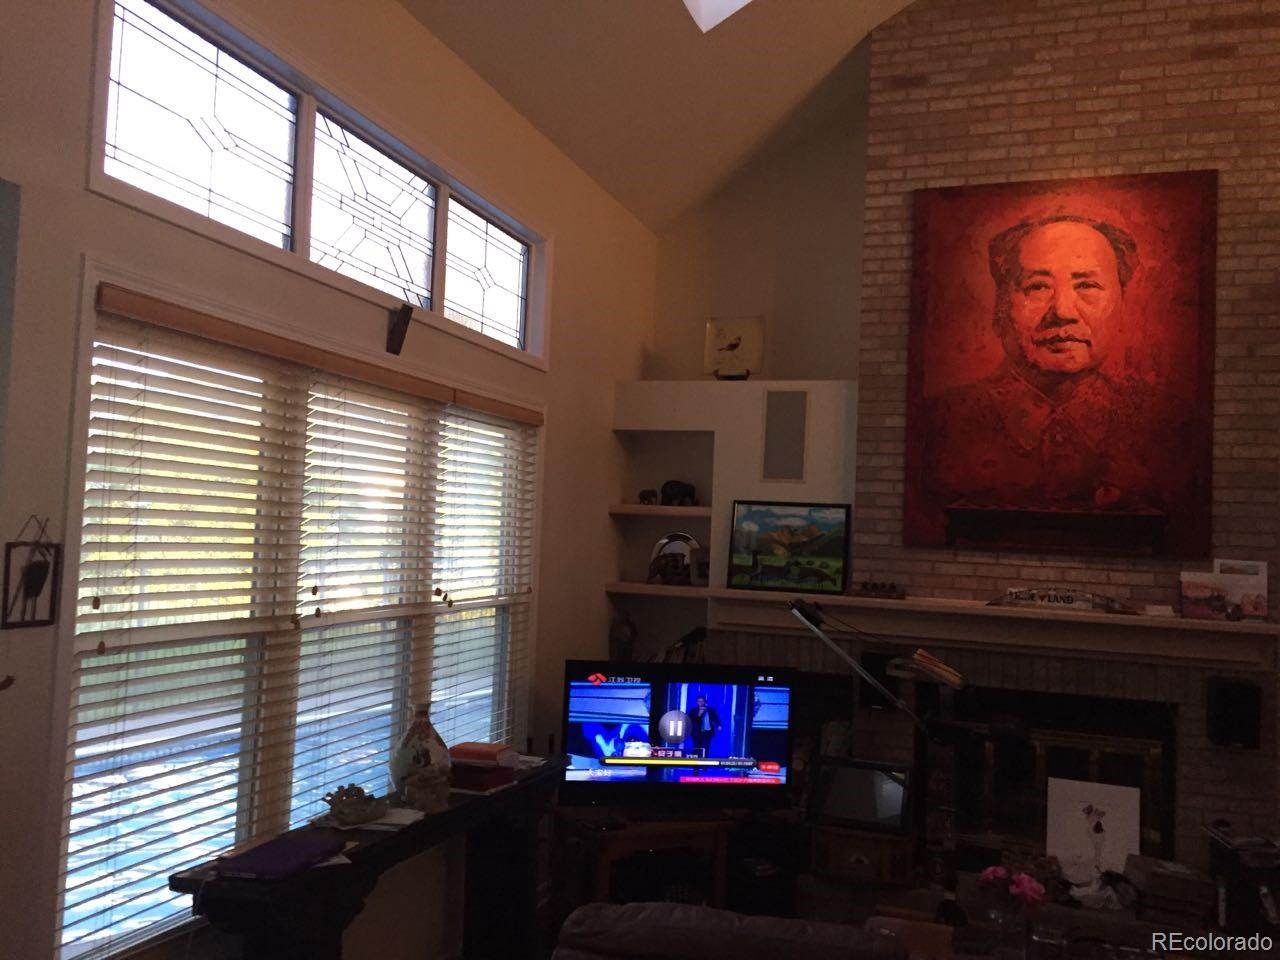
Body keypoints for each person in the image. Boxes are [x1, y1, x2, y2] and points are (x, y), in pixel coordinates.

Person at [917, 214, 1187, 538]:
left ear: (1121, 303)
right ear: (1001, 307)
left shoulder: (1170, 428)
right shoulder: (937, 426)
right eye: (1037, 286)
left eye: (1087, 285)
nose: (1063, 310)